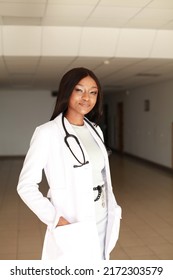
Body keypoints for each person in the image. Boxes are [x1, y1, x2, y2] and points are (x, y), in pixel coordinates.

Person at [17, 67, 121, 261]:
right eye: (79, 90)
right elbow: (25, 186)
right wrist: (56, 220)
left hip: (102, 217)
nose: (86, 98)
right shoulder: (47, 133)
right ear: (67, 91)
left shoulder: (95, 130)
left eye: (93, 92)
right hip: (73, 223)